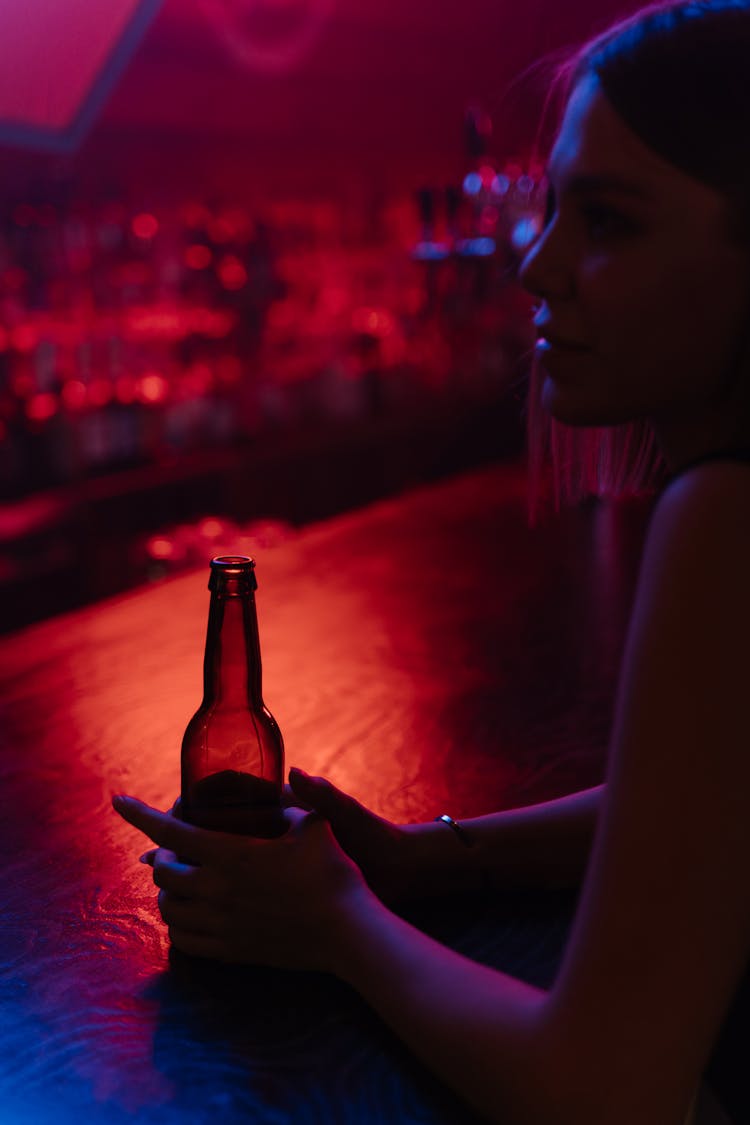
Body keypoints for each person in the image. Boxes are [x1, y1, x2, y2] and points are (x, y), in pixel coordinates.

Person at [112, 2, 750, 1122]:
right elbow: (705, 804)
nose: (536, 268)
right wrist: (427, 864)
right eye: (553, 208)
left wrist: (338, 926)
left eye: (607, 221)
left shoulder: (728, 515)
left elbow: (604, 1092)